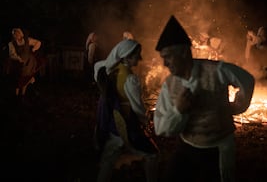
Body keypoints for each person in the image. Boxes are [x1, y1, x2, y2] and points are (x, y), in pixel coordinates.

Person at [153, 15, 255, 182]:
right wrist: (178, 110)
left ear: (185, 53)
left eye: (168, 57)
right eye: (163, 58)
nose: (165, 64)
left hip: (219, 147)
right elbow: (161, 128)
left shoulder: (216, 70)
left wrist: (237, 106)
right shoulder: (170, 84)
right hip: (187, 146)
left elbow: (246, 80)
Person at [93, 39, 159, 182]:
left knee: (109, 158)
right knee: (152, 154)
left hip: (112, 121)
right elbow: (137, 108)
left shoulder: (111, 70)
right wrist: (146, 118)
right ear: (127, 57)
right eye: (137, 55)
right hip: (127, 124)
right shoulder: (130, 79)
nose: (140, 58)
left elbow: (98, 65)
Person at [7, 28, 42, 97]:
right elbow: (12, 54)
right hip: (18, 64)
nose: (17, 35)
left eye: (18, 33)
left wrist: (33, 49)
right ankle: (16, 96)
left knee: (26, 78)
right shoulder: (12, 43)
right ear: (13, 35)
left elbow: (38, 42)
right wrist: (18, 59)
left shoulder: (27, 40)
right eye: (15, 34)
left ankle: (23, 95)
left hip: (29, 63)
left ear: (21, 34)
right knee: (18, 80)